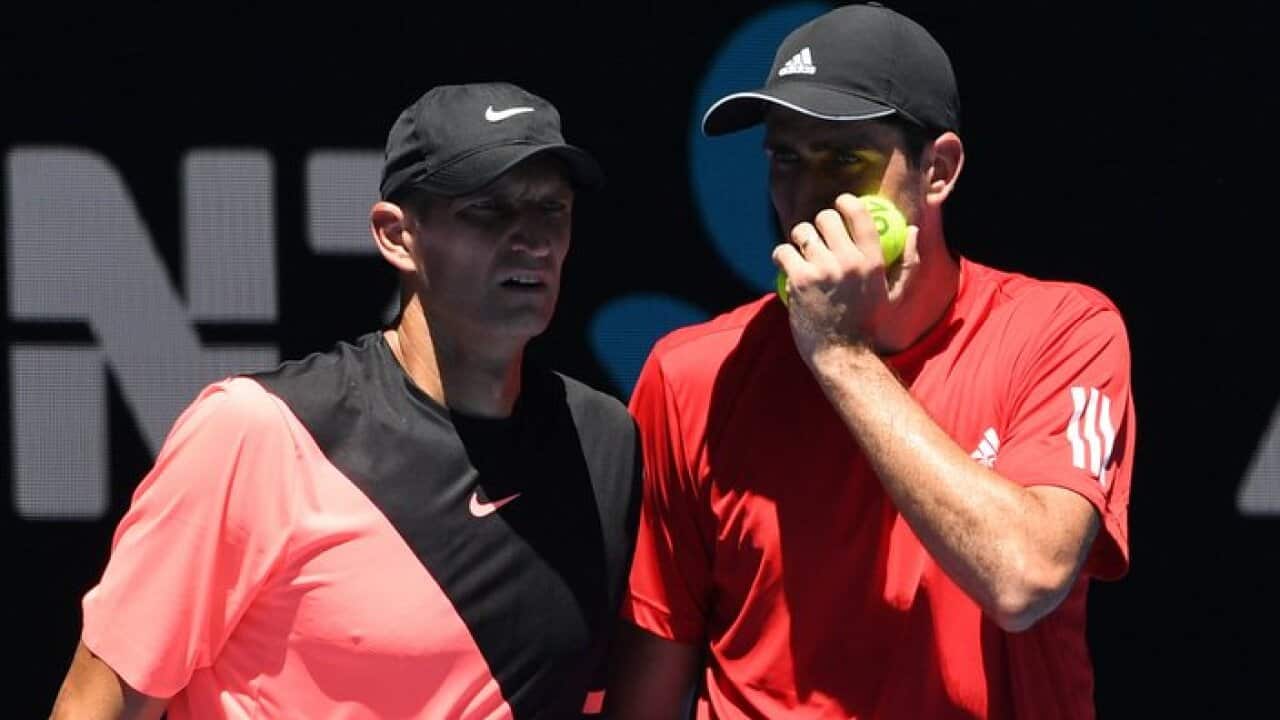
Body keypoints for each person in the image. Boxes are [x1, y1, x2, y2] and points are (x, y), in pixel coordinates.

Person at [606, 4, 1135, 719]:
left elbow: (1024, 576)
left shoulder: (1062, 331)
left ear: (938, 171)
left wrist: (839, 353)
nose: (808, 199)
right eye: (786, 158)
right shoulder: (692, 374)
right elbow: (650, 681)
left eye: (844, 160)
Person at [50, 82, 641, 719]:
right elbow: (95, 703)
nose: (533, 238)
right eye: (487, 210)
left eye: (552, 209)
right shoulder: (253, 431)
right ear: (396, 235)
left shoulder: (603, 440)